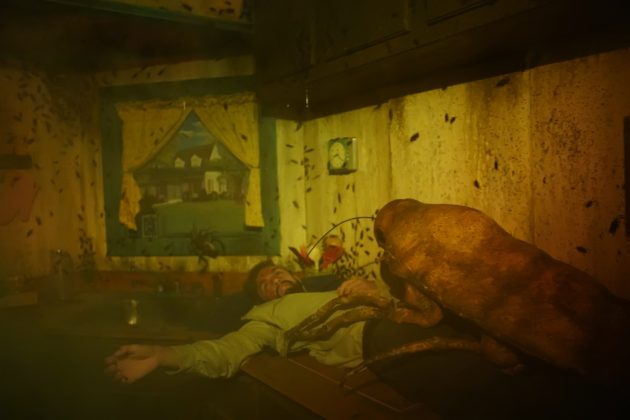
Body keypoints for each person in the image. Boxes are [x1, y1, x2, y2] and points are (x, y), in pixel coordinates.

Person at [105, 263, 618, 419]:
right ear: (258, 299)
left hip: (418, 315)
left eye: (278, 272)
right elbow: (221, 353)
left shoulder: (338, 282)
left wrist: (370, 287)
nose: (275, 281)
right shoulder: (267, 318)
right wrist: (164, 355)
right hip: (382, 340)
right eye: (264, 283)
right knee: (483, 389)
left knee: (527, 350)